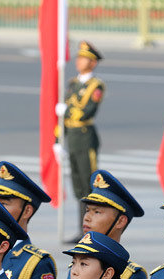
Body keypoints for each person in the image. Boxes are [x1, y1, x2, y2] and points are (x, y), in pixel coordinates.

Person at [62, 170, 148, 279]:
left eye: (97, 212)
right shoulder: (75, 267)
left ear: (120, 221)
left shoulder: (129, 276)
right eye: (87, 210)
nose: (87, 217)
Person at [57, 41, 105, 221]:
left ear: (93, 63)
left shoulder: (96, 86)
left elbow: (86, 112)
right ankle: (82, 228)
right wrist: (58, 141)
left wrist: (66, 111)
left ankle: (94, 227)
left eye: (84, 58)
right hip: (72, 139)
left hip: (85, 139)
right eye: (79, 57)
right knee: (78, 187)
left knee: (89, 186)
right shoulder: (73, 83)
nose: (79, 61)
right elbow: (63, 118)